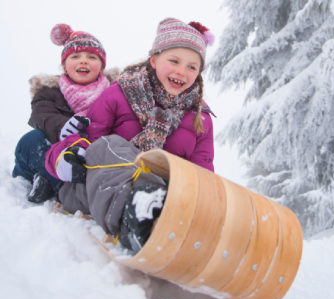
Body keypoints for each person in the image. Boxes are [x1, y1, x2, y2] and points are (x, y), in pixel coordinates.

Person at [44, 17, 216, 253]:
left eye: (191, 67)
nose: (181, 72)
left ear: (199, 72)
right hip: (94, 189)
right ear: (154, 60)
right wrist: (65, 155)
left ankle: (167, 216)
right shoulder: (119, 94)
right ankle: (136, 217)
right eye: (174, 61)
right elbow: (81, 140)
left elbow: (203, 172)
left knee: (191, 181)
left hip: (171, 202)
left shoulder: (201, 119)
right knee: (110, 145)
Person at [12, 23, 118, 203]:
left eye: (92, 57)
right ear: (64, 65)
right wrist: (64, 127)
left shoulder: (113, 92)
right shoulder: (49, 91)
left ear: (101, 67)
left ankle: (63, 184)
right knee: (32, 140)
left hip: (90, 153)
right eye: (75, 56)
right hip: (55, 147)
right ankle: (48, 178)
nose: (83, 61)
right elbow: (41, 115)